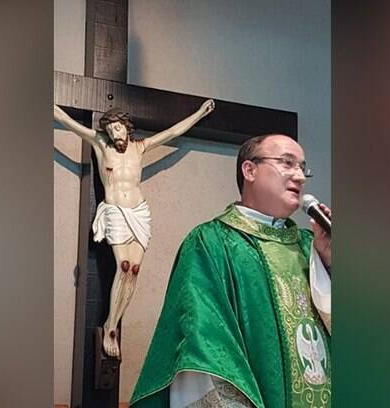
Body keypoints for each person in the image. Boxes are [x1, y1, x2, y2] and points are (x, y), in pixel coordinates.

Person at [130, 134, 332, 407]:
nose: (299, 176)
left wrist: (329, 264)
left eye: (302, 167)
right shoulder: (211, 243)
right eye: (287, 163)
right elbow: (204, 342)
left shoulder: (312, 246)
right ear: (249, 170)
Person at [53, 99, 215, 358]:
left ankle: (113, 323)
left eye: (119, 128)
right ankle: (110, 327)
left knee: (135, 270)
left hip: (138, 212)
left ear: (127, 128)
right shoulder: (100, 144)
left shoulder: (140, 148)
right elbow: (67, 122)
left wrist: (197, 114)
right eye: (112, 130)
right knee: (124, 266)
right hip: (116, 210)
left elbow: (172, 132)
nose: (115, 133)